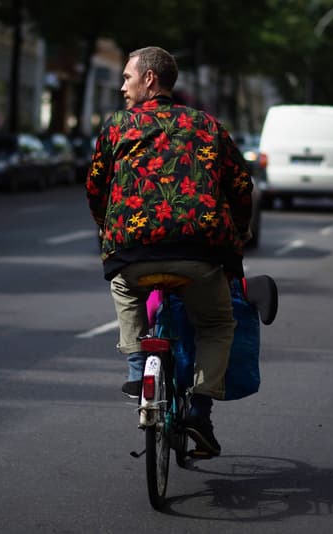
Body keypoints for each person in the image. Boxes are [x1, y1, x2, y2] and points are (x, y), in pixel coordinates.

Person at [86, 46, 253, 455]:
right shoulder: (208, 125)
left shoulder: (117, 127)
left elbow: (95, 186)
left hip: (132, 252)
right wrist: (240, 233)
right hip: (199, 253)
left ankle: (138, 371)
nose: (122, 86)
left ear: (149, 79)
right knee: (216, 325)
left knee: (125, 291)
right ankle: (199, 408)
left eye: (127, 77)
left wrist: (108, 228)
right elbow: (241, 186)